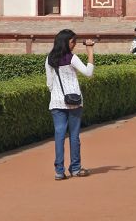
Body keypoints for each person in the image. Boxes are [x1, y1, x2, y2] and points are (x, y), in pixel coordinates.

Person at [45, 30, 95, 180]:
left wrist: (57, 95)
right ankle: (75, 168)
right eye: (72, 42)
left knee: (59, 135)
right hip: (73, 102)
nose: (73, 45)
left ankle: (59, 171)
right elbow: (88, 73)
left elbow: (49, 83)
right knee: (74, 136)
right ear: (66, 42)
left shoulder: (49, 59)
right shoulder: (71, 58)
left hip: (56, 102)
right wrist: (90, 51)